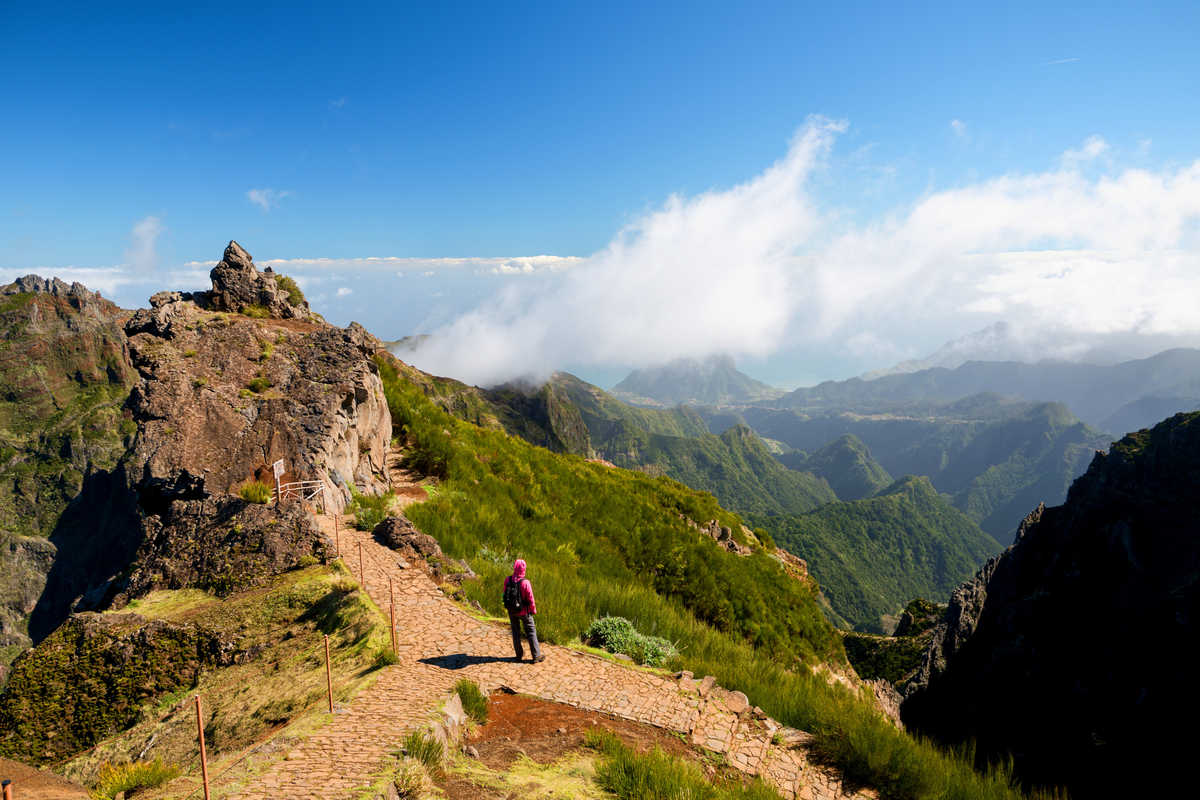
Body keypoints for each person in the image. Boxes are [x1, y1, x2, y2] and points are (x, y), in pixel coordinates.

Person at [502, 558, 544, 663]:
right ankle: (536, 656)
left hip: (512, 611)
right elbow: (531, 599)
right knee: (531, 632)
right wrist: (533, 611)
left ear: (515, 568)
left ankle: (518, 655)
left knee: (515, 632)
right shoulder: (526, 583)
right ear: (523, 569)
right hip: (524, 612)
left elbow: (504, 594)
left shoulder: (508, 580)